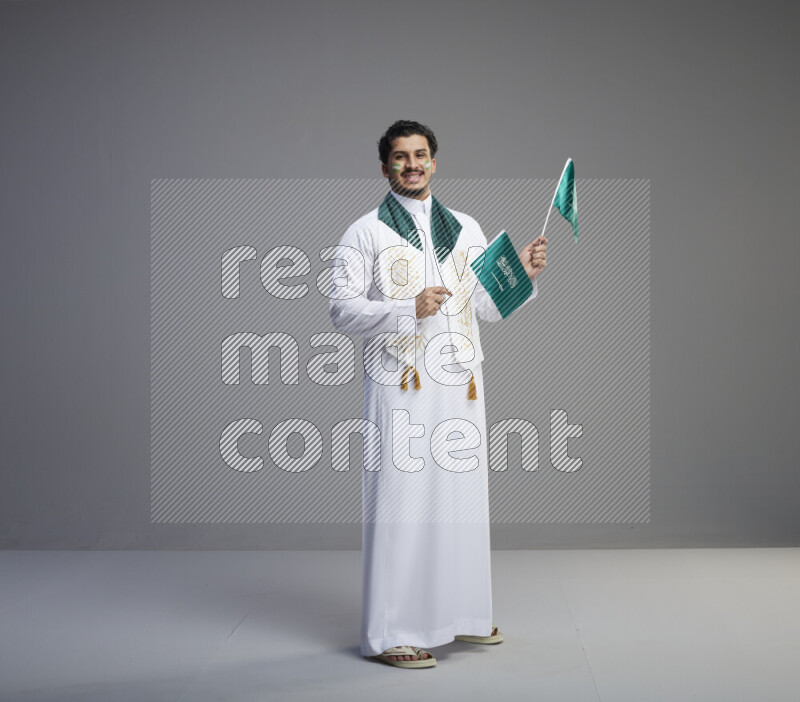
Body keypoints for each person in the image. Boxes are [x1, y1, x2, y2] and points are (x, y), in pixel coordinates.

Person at [328, 120, 547, 668]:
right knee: (402, 504)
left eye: (420, 155)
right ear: (385, 168)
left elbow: (486, 307)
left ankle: (462, 616)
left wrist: (521, 272)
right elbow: (341, 309)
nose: (412, 165)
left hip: (461, 386)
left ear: (435, 161)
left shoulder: (467, 228)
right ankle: (392, 632)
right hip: (401, 386)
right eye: (400, 158)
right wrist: (406, 309)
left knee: (461, 501)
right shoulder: (365, 232)